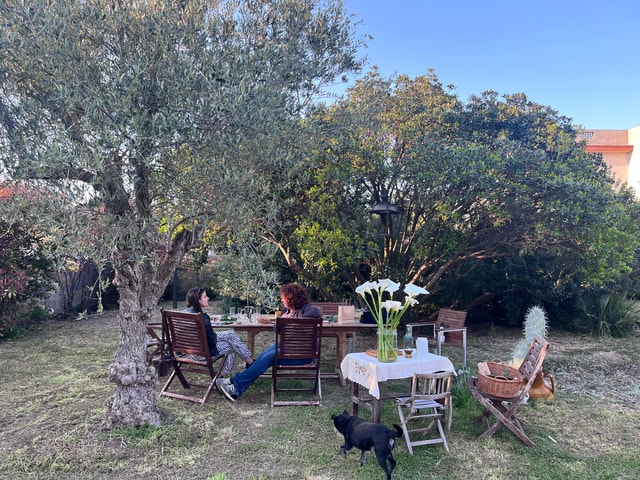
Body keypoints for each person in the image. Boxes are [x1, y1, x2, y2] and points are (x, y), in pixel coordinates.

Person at [215, 283, 322, 402]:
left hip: (306, 353)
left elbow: (317, 313)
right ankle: (234, 383)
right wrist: (282, 319)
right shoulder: (287, 311)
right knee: (265, 354)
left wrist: (291, 319)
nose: (281, 300)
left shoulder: (308, 309)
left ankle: (236, 387)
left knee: (269, 357)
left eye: (283, 298)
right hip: (291, 348)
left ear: (291, 298)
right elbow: (277, 330)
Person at [182, 287, 254, 375]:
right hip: (200, 354)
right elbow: (211, 342)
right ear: (198, 300)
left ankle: (250, 362)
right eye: (205, 297)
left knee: (231, 335)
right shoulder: (202, 318)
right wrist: (220, 339)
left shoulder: (183, 313)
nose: (208, 298)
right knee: (231, 345)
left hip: (186, 351)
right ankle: (247, 365)